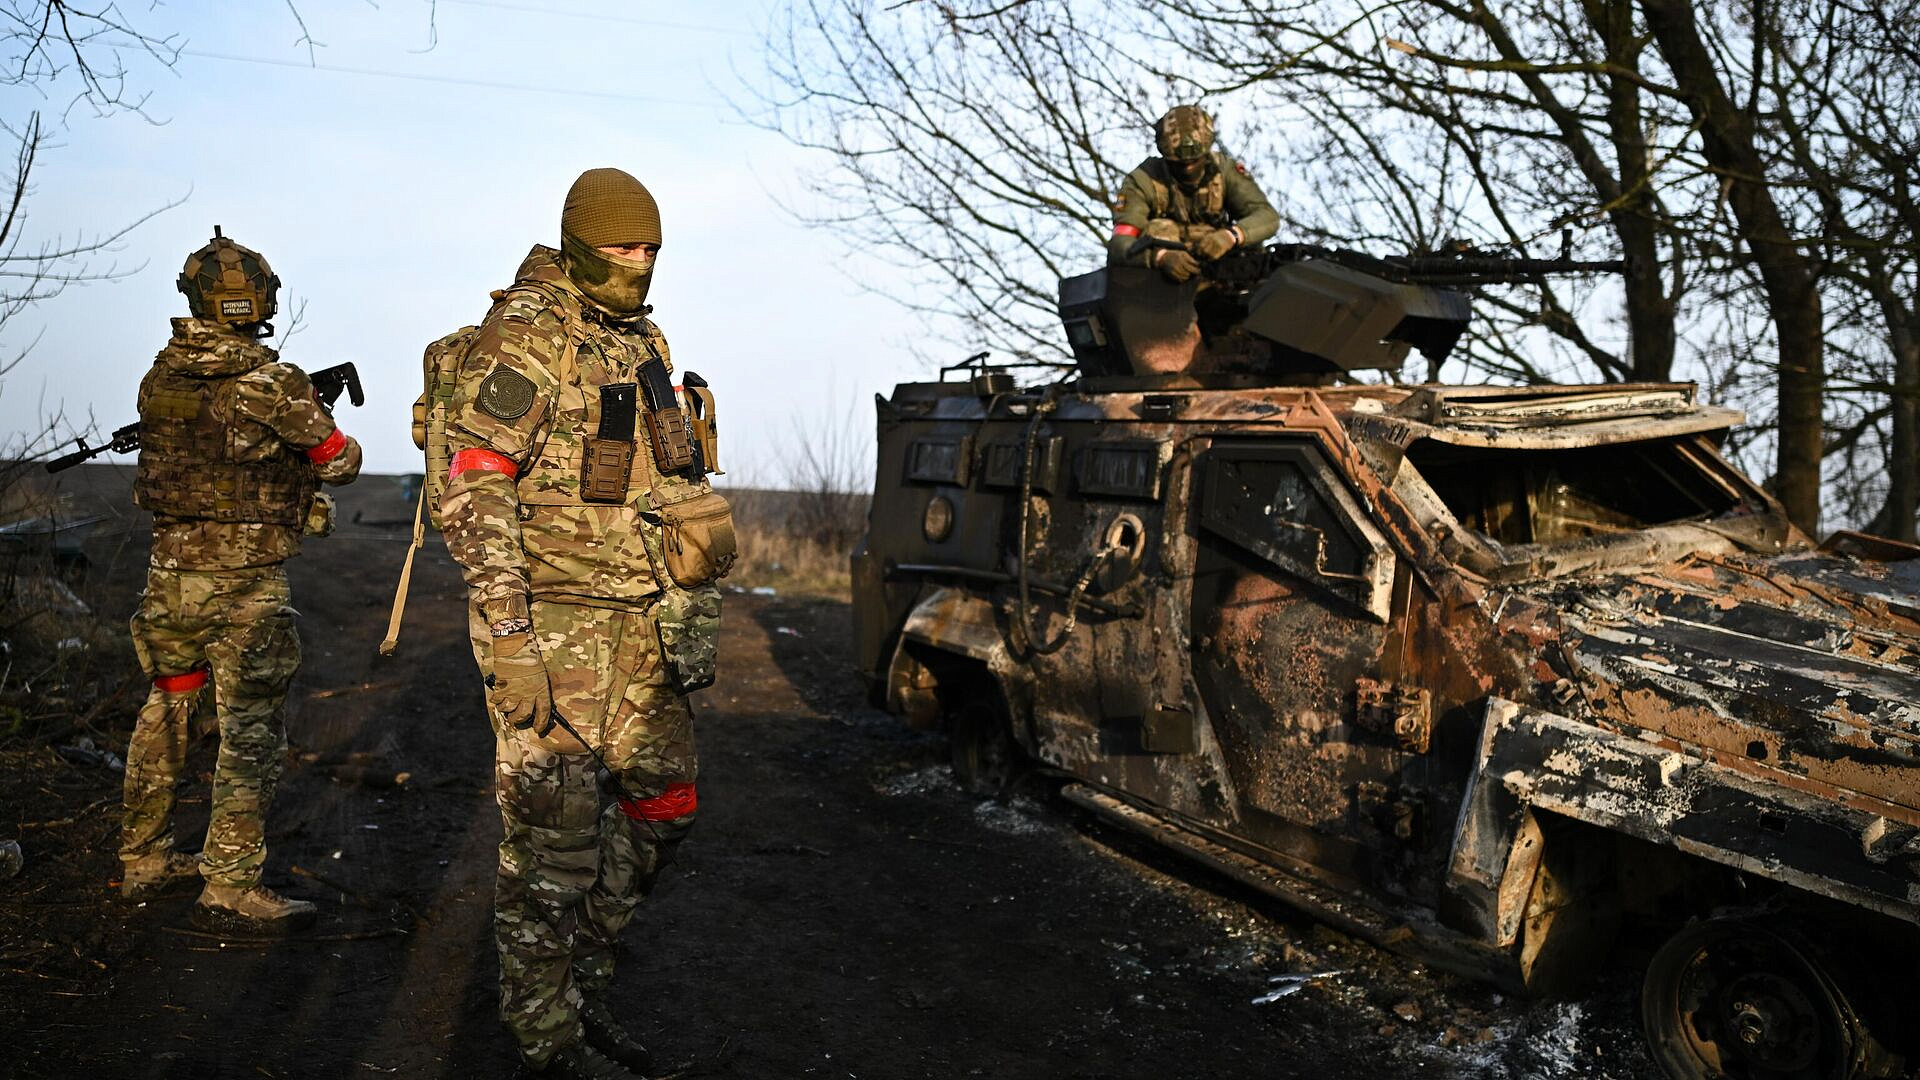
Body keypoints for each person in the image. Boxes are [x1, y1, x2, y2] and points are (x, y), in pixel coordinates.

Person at [440, 168, 730, 1080]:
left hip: (645, 623)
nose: (637, 264)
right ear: (576, 243)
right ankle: (547, 1041)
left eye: (649, 250)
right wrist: (511, 638)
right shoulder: (526, 334)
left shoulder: (641, 337)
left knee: (665, 807)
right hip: (553, 623)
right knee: (550, 848)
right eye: (619, 250)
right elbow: (473, 483)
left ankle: (582, 982)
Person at [119, 228, 362, 936]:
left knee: (167, 709)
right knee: (250, 730)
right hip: (245, 590)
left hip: (169, 578)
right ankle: (229, 882)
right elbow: (339, 461)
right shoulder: (272, 384)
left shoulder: (158, 378)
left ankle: (142, 857)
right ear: (256, 302)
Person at [1107, 104, 1280, 282]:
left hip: (1220, 271)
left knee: (1252, 245)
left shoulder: (1224, 170)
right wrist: (1160, 257)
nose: (1188, 168)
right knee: (1159, 229)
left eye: (1195, 160)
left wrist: (1231, 236)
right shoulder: (1143, 181)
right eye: (1179, 164)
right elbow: (1120, 245)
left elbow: (1267, 216)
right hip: (1162, 287)